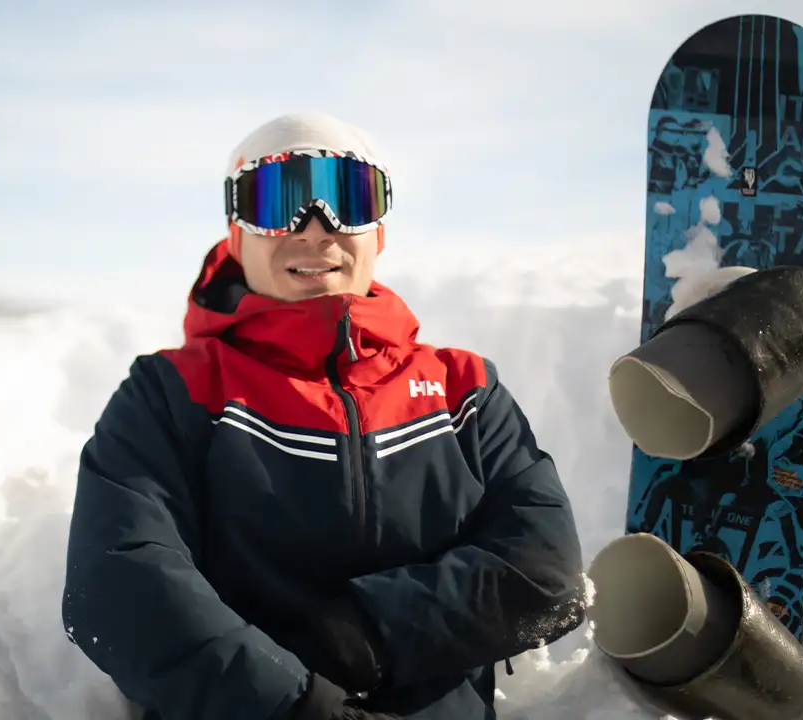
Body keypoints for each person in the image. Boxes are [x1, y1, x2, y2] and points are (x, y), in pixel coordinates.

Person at [62, 111, 586, 719]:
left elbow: (545, 575)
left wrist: (360, 636)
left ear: (380, 235)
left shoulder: (462, 389)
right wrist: (295, 705)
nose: (314, 230)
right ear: (236, 236)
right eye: (275, 200)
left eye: (348, 199)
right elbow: (120, 585)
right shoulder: (172, 393)